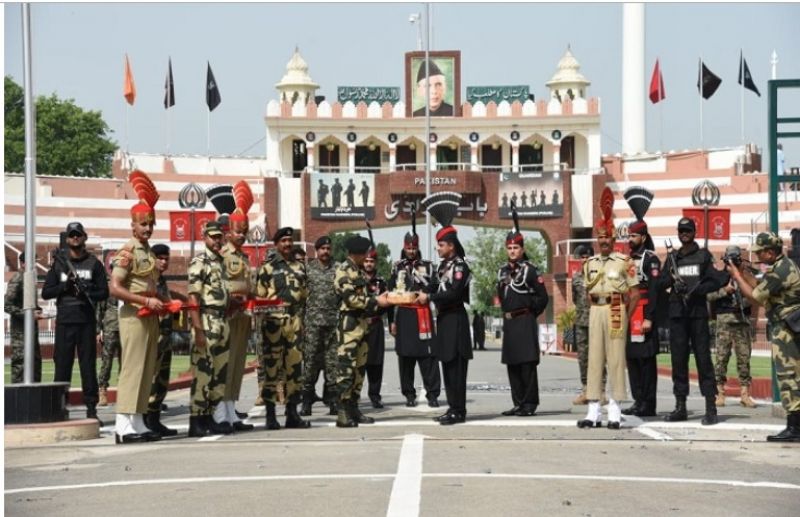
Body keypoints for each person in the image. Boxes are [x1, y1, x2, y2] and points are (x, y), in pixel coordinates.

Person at [728, 232, 800, 442]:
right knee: (794, 376)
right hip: (788, 326)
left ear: (770, 252)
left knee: (788, 376)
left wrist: (737, 276)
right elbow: (761, 287)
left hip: (786, 330)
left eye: (760, 251)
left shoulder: (780, 271)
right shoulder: (782, 267)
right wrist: (744, 271)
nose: (758, 254)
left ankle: (794, 427)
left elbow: (755, 296)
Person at [577, 189, 639, 430]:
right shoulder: (589, 264)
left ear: (614, 240)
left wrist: (625, 315)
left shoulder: (624, 262)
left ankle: (614, 409)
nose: (603, 241)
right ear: (597, 239)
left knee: (615, 360)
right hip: (596, 309)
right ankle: (593, 411)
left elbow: (634, 294)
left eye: (607, 238)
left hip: (615, 307)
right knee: (594, 360)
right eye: (600, 237)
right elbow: (585, 292)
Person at [109, 170, 163, 443]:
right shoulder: (127, 252)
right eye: (143, 224)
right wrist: (145, 300)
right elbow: (115, 287)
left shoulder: (148, 252)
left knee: (147, 367)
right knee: (132, 367)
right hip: (134, 315)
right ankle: (122, 424)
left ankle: (138, 419)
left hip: (150, 315)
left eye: (150, 224)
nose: (147, 228)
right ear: (132, 226)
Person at [659, 217, 726, 425]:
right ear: (678, 233)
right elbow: (660, 282)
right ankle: (681, 407)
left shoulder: (704, 256)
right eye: (681, 230)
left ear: (694, 232)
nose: (684, 233)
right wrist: (672, 282)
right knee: (678, 361)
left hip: (697, 314)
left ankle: (710, 407)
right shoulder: (672, 258)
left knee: (703, 360)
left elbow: (718, 279)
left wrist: (697, 290)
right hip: (678, 315)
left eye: (688, 230)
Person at [42, 222, 108, 420]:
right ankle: (59, 408)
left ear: (84, 237)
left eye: (78, 234)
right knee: (62, 366)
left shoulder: (94, 264)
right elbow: (46, 292)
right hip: (65, 322)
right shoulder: (59, 263)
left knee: (88, 366)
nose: (75, 238)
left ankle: (91, 409)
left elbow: (104, 292)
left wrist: (87, 291)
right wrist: (65, 287)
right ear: (67, 239)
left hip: (86, 322)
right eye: (72, 235)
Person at [417, 213, 472, 425]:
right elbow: (432, 285)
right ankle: (452, 407)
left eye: (441, 245)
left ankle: (459, 410)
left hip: (456, 319)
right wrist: (414, 293)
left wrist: (429, 297)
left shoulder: (459, 266)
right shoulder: (442, 267)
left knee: (456, 368)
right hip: (444, 320)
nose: (438, 249)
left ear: (451, 245)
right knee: (448, 366)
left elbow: (454, 293)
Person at [333, 235, 390, 427]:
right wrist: (376, 301)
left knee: (359, 371)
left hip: (362, 327)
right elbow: (351, 299)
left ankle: (354, 408)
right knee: (345, 370)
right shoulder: (343, 271)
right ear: (356, 254)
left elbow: (363, 299)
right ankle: (342, 412)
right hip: (349, 329)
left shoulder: (357, 271)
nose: (366, 257)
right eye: (364, 254)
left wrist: (379, 300)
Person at [256, 227, 310, 430]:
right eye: (284, 241)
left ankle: (292, 414)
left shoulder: (300, 267)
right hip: (274, 325)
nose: (287, 244)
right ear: (276, 244)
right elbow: (259, 299)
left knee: (295, 370)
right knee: (272, 369)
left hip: (294, 323)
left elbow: (305, 297)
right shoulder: (267, 269)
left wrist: (302, 322)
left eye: (290, 240)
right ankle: (270, 415)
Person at [186, 222, 234, 437]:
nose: (217, 241)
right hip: (205, 320)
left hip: (221, 322)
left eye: (220, 237)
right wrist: (198, 330)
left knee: (219, 373)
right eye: (213, 237)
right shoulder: (200, 262)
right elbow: (193, 297)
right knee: (203, 373)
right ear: (205, 237)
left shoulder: (221, 262)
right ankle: (196, 419)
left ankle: (212, 416)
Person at [496, 225, 549, 417]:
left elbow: (543, 297)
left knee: (527, 364)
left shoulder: (531, 270)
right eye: (509, 248)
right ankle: (518, 403)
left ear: (522, 249)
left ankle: (529, 403)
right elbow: (501, 296)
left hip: (525, 320)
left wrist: (530, 312)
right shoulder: (502, 271)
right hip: (510, 322)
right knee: (513, 364)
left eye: (516, 248)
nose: (512, 251)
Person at [389, 217, 442, 408]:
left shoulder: (428, 266)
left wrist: (426, 293)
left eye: (414, 248)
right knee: (405, 357)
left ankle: (433, 394)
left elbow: (436, 286)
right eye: (408, 248)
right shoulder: (397, 267)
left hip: (423, 315)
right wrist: (391, 321)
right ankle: (409, 394)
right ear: (404, 247)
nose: (411, 251)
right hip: (403, 315)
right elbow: (390, 293)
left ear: (417, 246)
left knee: (428, 357)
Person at [219, 185, 257, 431]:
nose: (241, 235)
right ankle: (221, 411)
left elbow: (249, 286)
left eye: (244, 231)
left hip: (242, 314)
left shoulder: (243, 257)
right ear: (228, 232)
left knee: (238, 363)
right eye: (237, 231)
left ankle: (231, 408)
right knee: (225, 362)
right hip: (227, 315)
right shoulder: (222, 255)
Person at [622, 209, 661, 418]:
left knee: (646, 361)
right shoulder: (627, 260)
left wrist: (649, 317)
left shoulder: (651, 259)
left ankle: (649, 403)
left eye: (634, 235)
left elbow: (654, 291)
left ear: (643, 237)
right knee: (632, 359)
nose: (630, 239)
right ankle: (638, 400)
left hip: (644, 312)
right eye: (629, 235)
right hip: (630, 312)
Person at [708, 245, 757, 409]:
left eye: (735, 259)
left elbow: (757, 293)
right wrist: (725, 291)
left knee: (744, 358)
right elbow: (708, 296)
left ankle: (745, 394)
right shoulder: (718, 277)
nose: (733, 263)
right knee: (721, 358)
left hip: (742, 320)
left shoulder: (746, 275)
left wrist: (743, 274)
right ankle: (720, 392)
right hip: (724, 319)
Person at [143, 244, 179, 437]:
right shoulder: (148, 280)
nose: (164, 262)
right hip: (154, 337)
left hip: (166, 337)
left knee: (162, 380)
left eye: (166, 258)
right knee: (152, 379)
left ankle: (155, 420)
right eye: (160, 258)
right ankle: (147, 420)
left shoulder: (161, 280)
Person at [301, 236, 339, 416]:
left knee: (332, 365)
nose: (325, 251)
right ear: (316, 250)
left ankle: (332, 401)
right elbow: (301, 297)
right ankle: (306, 401)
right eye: (322, 248)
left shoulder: (338, 269)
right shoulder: (308, 270)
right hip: (313, 324)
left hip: (333, 324)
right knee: (310, 365)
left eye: (328, 248)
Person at [5, 252, 43, 383]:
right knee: (20, 368)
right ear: (23, 263)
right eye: (31, 261)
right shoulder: (18, 278)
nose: (35, 264)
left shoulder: (30, 279)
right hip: (20, 335)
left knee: (36, 366)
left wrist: (37, 311)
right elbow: (7, 305)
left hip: (32, 332)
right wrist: (28, 315)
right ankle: (16, 402)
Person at [364, 247, 393, 409]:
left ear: (375, 263)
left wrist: (392, 322)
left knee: (376, 362)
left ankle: (375, 395)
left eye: (371, 261)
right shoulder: (357, 279)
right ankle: (353, 397)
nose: (368, 264)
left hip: (376, 324)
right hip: (359, 325)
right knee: (358, 363)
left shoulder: (381, 282)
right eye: (366, 261)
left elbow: (389, 305)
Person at [571, 244, 600, 405]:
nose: (585, 259)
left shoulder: (599, 276)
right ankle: (586, 390)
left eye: (588, 256)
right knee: (583, 358)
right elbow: (575, 299)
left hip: (597, 321)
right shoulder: (576, 278)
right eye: (582, 257)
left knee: (598, 357)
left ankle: (600, 391)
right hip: (581, 322)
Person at [96, 264, 120, 406]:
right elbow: (99, 309)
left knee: (126, 362)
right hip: (110, 327)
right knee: (107, 360)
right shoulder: (107, 287)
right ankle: (103, 390)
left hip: (126, 327)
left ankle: (125, 391)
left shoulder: (129, 286)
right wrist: (98, 330)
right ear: (111, 270)